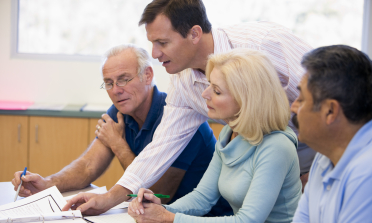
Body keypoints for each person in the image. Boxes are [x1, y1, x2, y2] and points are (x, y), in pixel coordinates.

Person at [63, 0, 314, 213]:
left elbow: (329, 91)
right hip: (264, 146)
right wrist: (110, 198)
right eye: (152, 43)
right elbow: (162, 146)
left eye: (163, 42)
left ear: (194, 34)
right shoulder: (187, 84)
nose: (155, 52)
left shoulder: (265, 43)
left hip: (315, 137)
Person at [12, 44, 232, 216]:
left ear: (147, 75)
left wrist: (119, 146)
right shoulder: (121, 109)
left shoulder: (181, 117)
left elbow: (158, 194)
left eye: (124, 79)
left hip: (202, 217)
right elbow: (88, 165)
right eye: (108, 83)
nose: (116, 90)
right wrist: (48, 183)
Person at [128, 48, 302, 223]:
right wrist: (159, 209)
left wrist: (169, 218)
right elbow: (202, 197)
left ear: (246, 99)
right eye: (209, 84)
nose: (205, 94)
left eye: (217, 91)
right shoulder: (229, 133)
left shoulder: (277, 147)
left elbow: (247, 220)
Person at [291, 45, 372, 222]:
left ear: (330, 111)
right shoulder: (324, 155)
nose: (293, 107)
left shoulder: (366, 173)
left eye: (302, 99)